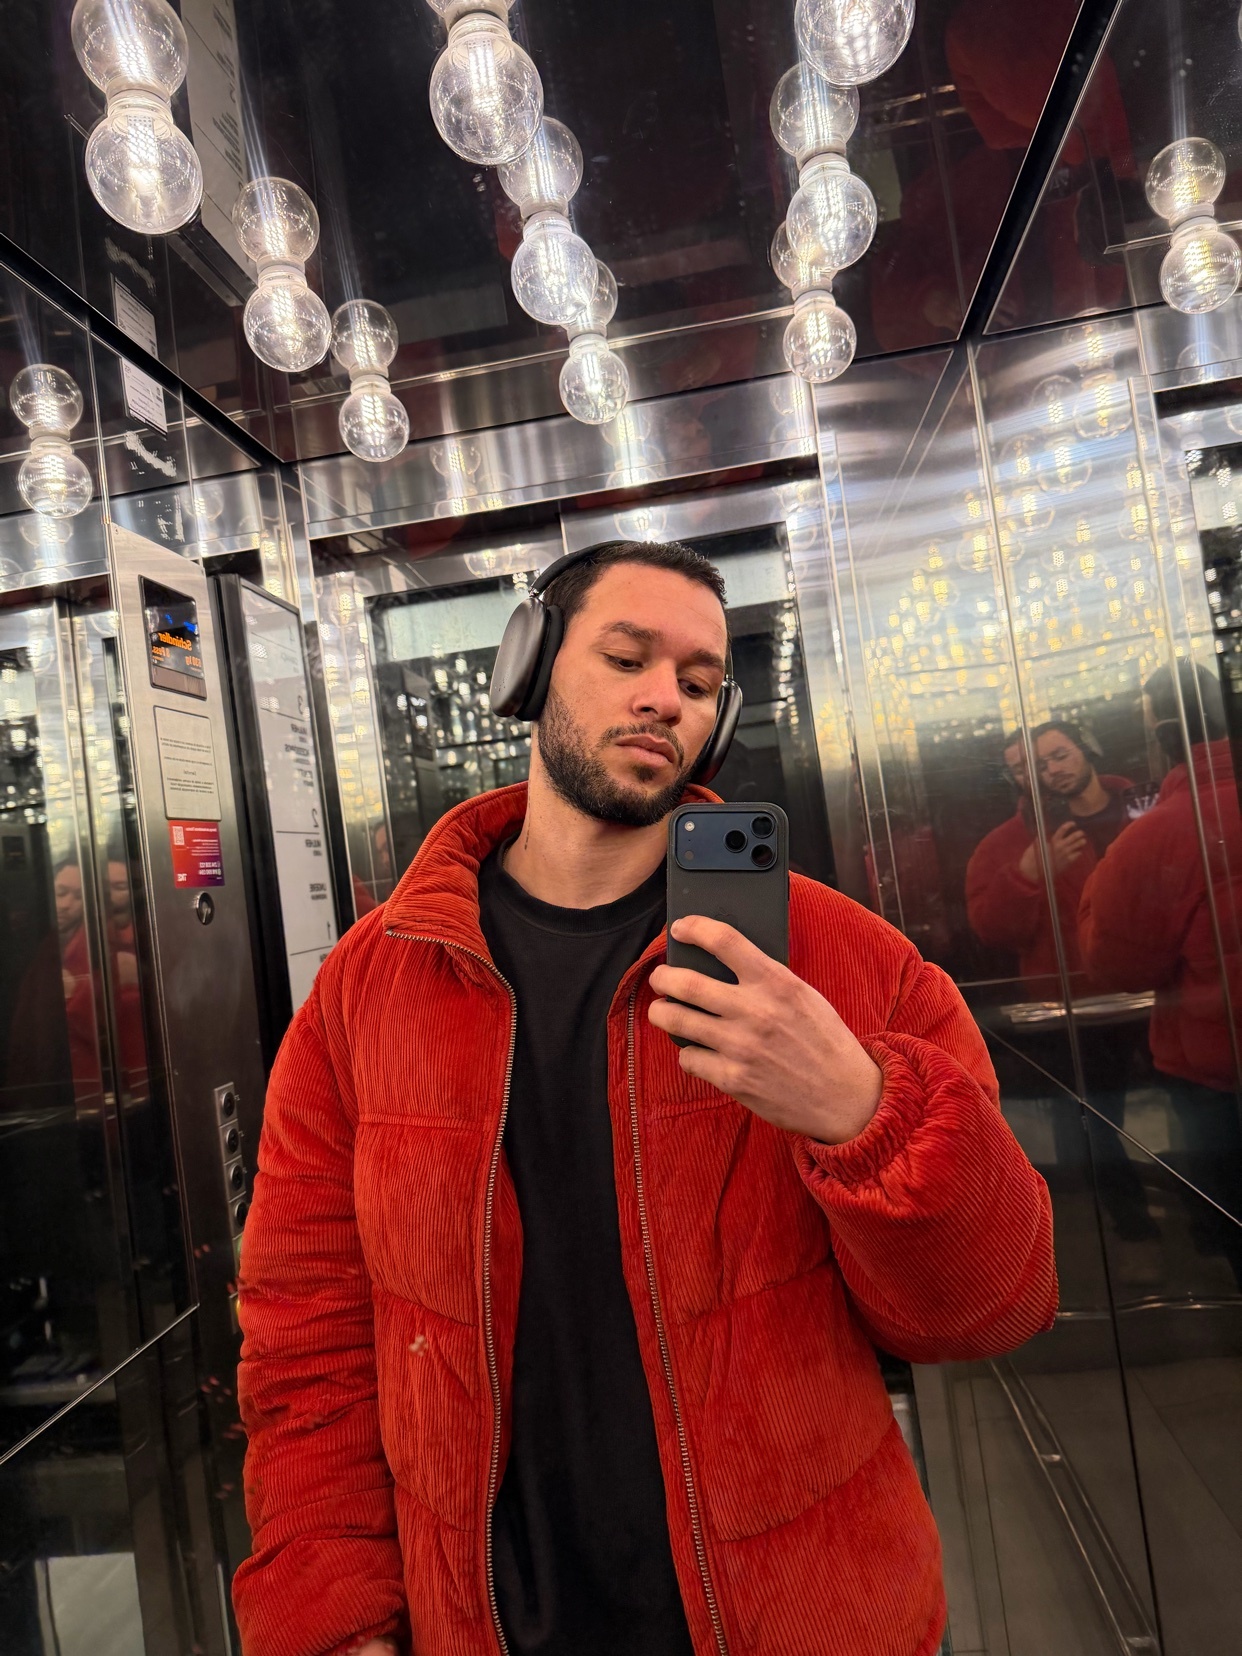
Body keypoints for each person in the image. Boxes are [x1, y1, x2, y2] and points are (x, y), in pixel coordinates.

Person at [233, 542, 1056, 1656]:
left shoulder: (849, 964)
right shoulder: (372, 987)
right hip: (478, 1622)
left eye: (700, 682)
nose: (666, 698)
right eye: (627, 658)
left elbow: (989, 1307)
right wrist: (335, 1620)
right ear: (528, 670)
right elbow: (307, 1338)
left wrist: (866, 1115)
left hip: (799, 1619)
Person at [1079, 660, 1242, 1281]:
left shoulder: (1163, 830)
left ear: (1164, 735)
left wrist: (1093, 886)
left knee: (1229, 1211)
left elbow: (1114, 959)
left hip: (1216, 1066)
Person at [965, 721, 1132, 997]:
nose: (1051, 770)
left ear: (1087, 748)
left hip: (1157, 983)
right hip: (1069, 998)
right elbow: (992, 932)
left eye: (1060, 756)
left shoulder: (1144, 810)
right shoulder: (1000, 845)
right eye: (1026, 769)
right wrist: (1024, 878)